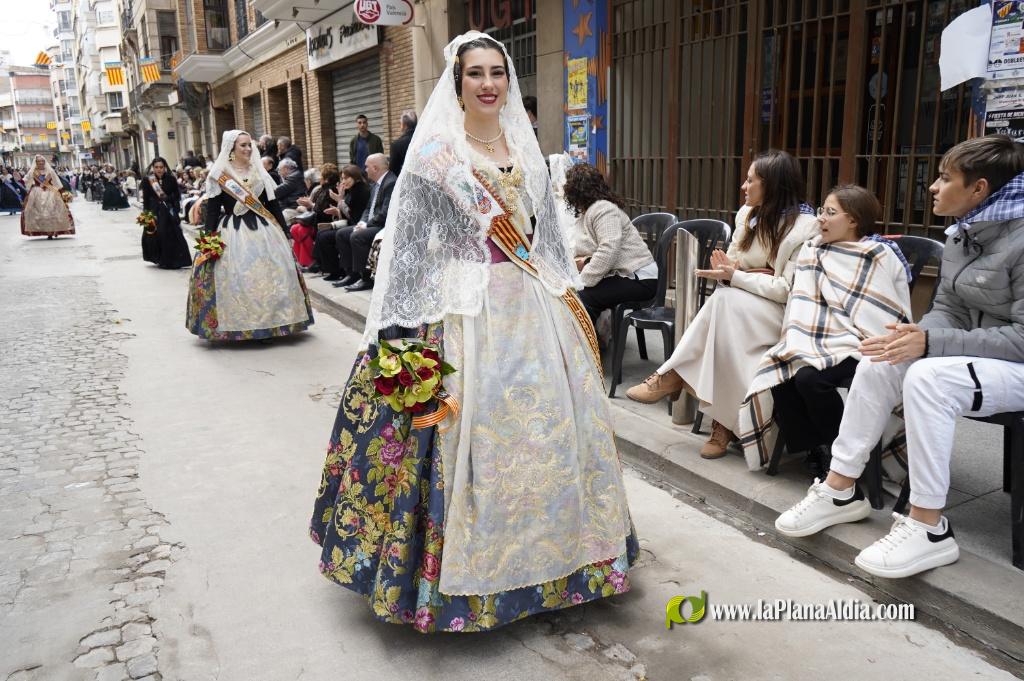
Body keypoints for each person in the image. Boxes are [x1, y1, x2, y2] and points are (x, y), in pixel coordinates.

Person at [308, 32, 636, 633]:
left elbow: (546, 240)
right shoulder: (439, 152)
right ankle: (460, 581)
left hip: (531, 309)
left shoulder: (527, 146)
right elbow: (412, 246)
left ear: (509, 82)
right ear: (456, 83)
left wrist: (566, 295)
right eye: (475, 74)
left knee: (549, 436)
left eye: (497, 73)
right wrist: (402, 333)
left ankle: (560, 565)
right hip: (463, 309)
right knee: (463, 437)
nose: (488, 83)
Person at [774, 135, 1024, 579]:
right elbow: (948, 308)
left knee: (929, 379)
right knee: (879, 358)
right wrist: (912, 335)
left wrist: (930, 345)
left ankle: (929, 527)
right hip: (978, 357)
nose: (932, 186)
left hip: (1015, 363)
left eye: (946, 178)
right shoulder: (964, 235)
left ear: (979, 189)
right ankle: (842, 489)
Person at [625, 150, 818, 459]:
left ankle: (676, 377)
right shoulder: (747, 215)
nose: (744, 186)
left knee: (725, 301)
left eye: (751, 180)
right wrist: (730, 272)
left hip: (778, 312)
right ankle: (721, 423)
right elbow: (733, 261)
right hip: (740, 304)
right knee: (726, 310)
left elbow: (786, 289)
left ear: (772, 185)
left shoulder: (805, 229)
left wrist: (738, 277)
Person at [737, 185, 913, 475]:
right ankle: (814, 447)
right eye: (821, 211)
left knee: (809, 379)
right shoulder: (813, 250)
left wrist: (858, 334)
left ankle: (843, 456)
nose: (820, 219)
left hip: (864, 343)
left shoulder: (878, 254)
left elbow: (889, 311)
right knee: (781, 368)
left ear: (853, 220)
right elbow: (803, 302)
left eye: (830, 213)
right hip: (816, 338)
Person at [185, 130, 314, 341]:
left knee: (271, 275)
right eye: (242, 145)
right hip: (232, 231)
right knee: (236, 276)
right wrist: (208, 238)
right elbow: (213, 208)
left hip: (264, 230)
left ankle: (272, 324)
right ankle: (239, 325)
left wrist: (284, 230)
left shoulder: (259, 172)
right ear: (231, 148)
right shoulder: (220, 174)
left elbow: (272, 204)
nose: (247, 149)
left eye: (249, 145)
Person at [563, 163, 657, 324]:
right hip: (624, 276)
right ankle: (588, 343)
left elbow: (608, 250)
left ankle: (585, 346)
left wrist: (582, 281)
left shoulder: (604, 209)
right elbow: (594, 250)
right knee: (573, 295)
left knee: (582, 297)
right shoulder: (590, 212)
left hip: (639, 279)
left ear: (576, 193)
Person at [331, 153, 395, 291]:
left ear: (375, 168)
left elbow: (385, 213)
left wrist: (366, 225)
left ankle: (366, 278)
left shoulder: (390, 183)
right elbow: (368, 208)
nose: (365, 170)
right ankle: (352, 274)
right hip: (372, 223)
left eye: (367, 167)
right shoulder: (375, 184)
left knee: (357, 236)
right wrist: (362, 222)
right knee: (342, 234)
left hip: (383, 226)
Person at [315, 164, 371, 282]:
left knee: (332, 235)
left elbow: (354, 216)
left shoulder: (361, 190)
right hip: (351, 223)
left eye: (346, 178)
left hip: (359, 224)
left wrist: (339, 201)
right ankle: (333, 270)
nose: (344, 181)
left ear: (355, 177)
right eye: (342, 178)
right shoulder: (351, 190)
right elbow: (347, 213)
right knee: (321, 235)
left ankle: (349, 273)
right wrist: (338, 209)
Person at [140, 157, 193, 269]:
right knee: (156, 235)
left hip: (168, 211)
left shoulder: (171, 179)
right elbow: (146, 198)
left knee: (168, 234)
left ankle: (172, 260)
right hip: (154, 211)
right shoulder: (148, 180)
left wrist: (169, 200)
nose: (159, 169)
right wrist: (146, 213)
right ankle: (160, 259)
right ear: (153, 168)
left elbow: (177, 196)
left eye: (161, 167)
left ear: (165, 168)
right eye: (156, 167)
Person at [291, 163, 340, 269]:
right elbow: (317, 205)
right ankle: (300, 260)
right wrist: (309, 204)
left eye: (321, 176)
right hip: (315, 220)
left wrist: (310, 205)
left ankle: (310, 261)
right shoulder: (321, 189)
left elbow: (324, 211)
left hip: (322, 222)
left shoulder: (330, 191)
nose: (319, 178)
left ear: (326, 179)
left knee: (301, 230)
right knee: (295, 228)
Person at [20, 155, 75, 239]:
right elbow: (25, 180)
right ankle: (44, 230)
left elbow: (57, 182)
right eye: (39, 161)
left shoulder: (50, 171)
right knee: (37, 212)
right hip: (36, 193)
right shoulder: (32, 172)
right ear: (36, 162)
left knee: (53, 211)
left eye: (42, 161)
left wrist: (60, 191)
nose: (41, 162)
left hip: (50, 193)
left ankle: (54, 230)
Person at [275, 158, 306, 223]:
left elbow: (276, 192)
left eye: (279, 170)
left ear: (286, 168)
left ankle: (286, 233)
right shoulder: (293, 176)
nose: (278, 172)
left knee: (277, 221)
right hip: (290, 206)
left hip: (293, 208)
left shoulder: (294, 177)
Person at [388, 110, 417, 176]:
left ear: (404, 125)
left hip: (404, 181)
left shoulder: (396, 145)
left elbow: (393, 170)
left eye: (400, 123)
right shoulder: (424, 140)